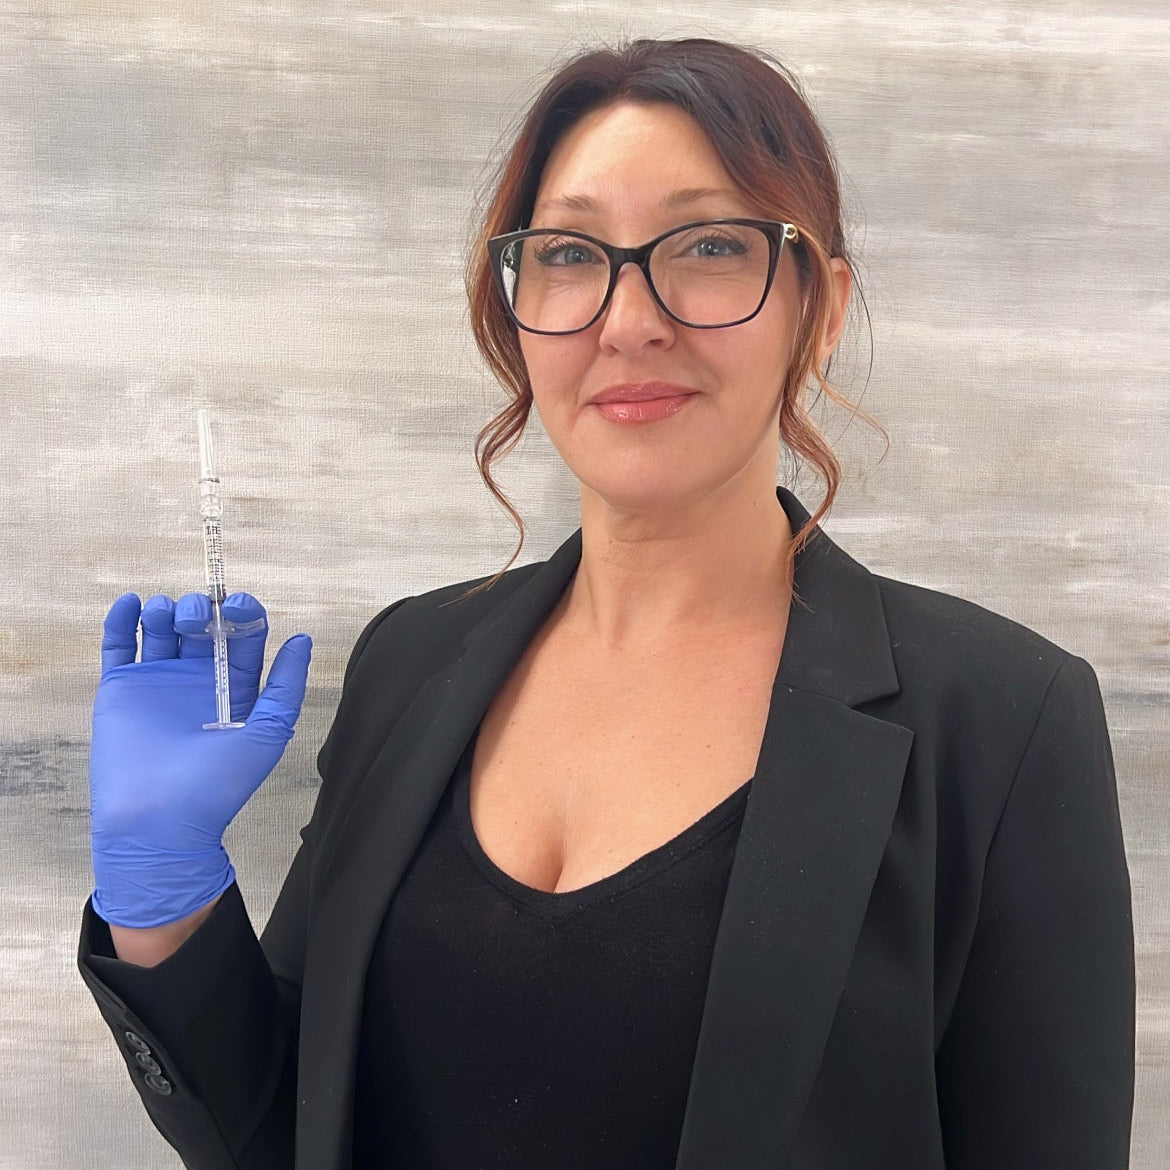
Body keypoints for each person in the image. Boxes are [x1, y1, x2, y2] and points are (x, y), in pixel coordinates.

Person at [78, 37, 1135, 1170]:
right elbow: (282, 1132)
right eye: (572, 253)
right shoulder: (410, 663)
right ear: (518, 307)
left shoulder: (1004, 719)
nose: (629, 319)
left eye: (713, 245)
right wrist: (165, 895)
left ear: (819, 305)